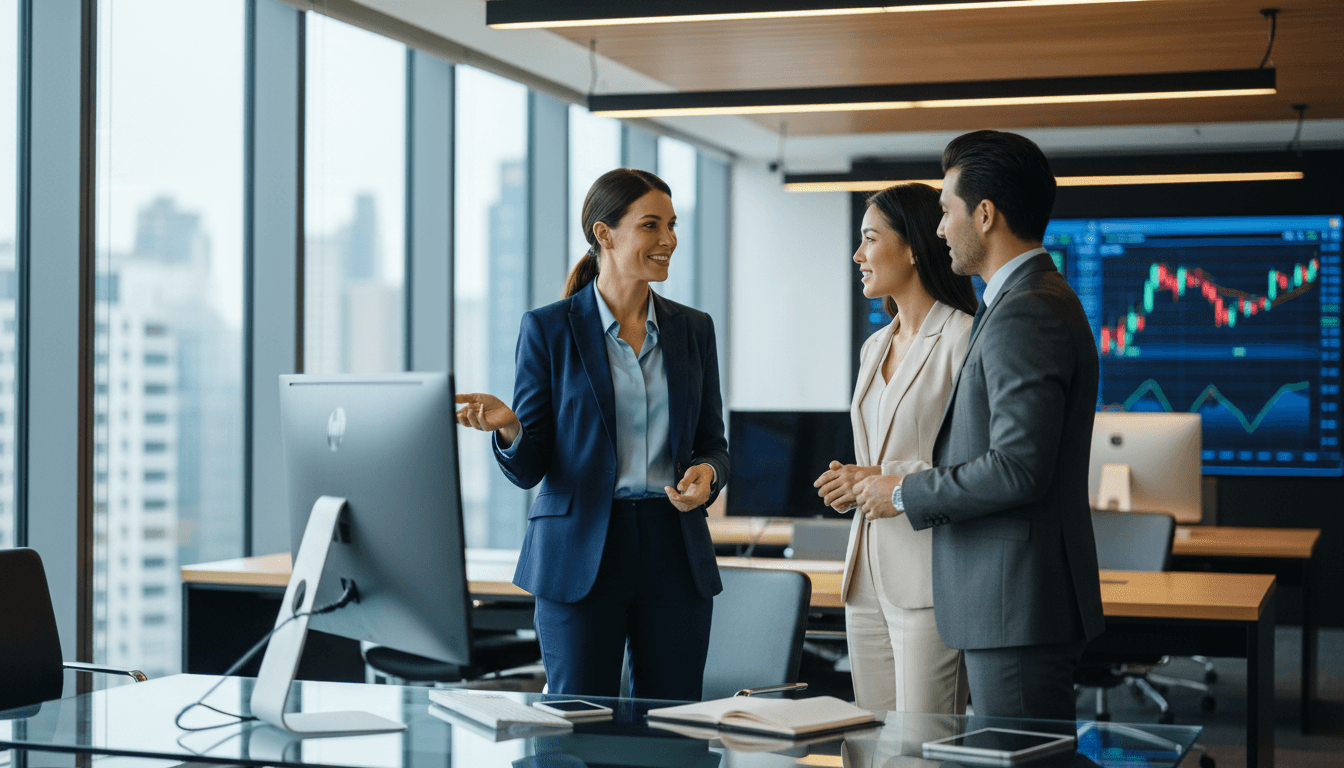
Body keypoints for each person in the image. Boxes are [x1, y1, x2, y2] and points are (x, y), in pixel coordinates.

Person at [852, 130, 1105, 721]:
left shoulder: (1027, 310)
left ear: (984, 215)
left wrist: (903, 489)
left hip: (1016, 600)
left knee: (1017, 761)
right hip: (1010, 599)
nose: (938, 230)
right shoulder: (1020, 300)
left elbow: (1019, 469)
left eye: (945, 211)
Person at [455, 168, 728, 701]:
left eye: (671, 225)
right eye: (651, 225)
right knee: (576, 726)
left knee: (674, 729)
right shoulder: (548, 329)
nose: (668, 240)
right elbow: (530, 467)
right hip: (578, 550)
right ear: (604, 234)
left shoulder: (693, 329)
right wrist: (510, 427)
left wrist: (710, 472)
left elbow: (713, 442)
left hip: (673, 548)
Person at [812, 183, 976, 714]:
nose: (858, 255)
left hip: (930, 572)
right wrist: (855, 481)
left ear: (913, 247)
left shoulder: (964, 339)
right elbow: (878, 448)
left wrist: (883, 476)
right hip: (866, 573)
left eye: (869, 239)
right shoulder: (874, 346)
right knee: (871, 738)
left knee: (924, 745)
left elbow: (975, 463)